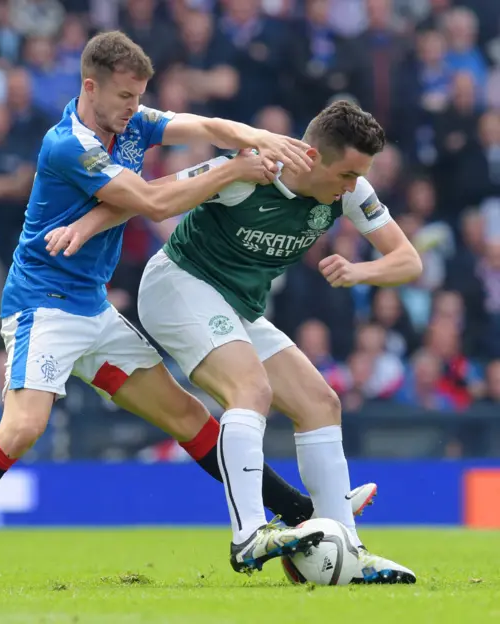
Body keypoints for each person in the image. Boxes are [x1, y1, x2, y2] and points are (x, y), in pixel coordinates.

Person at [0, 31, 368, 591]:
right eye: (125, 96)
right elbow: (152, 202)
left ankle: (298, 516)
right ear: (90, 87)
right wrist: (232, 169)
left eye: (139, 96)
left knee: (191, 420)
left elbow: (208, 127)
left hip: (94, 312)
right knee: (24, 428)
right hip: (43, 308)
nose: (133, 108)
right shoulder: (68, 145)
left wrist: (266, 139)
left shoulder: (129, 121)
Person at [56, 100, 421, 583]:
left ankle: (346, 551)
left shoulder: (350, 193)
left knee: (320, 403)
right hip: (178, 286)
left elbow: (408, 261)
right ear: (312, 156)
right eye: (347, 174)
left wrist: (360, 271)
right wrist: (83, 226)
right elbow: (155, 196)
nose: (353, 186)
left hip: (239, 307)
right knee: (251, 390)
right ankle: (249, 534)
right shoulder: (249, 172)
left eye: (360, 176)